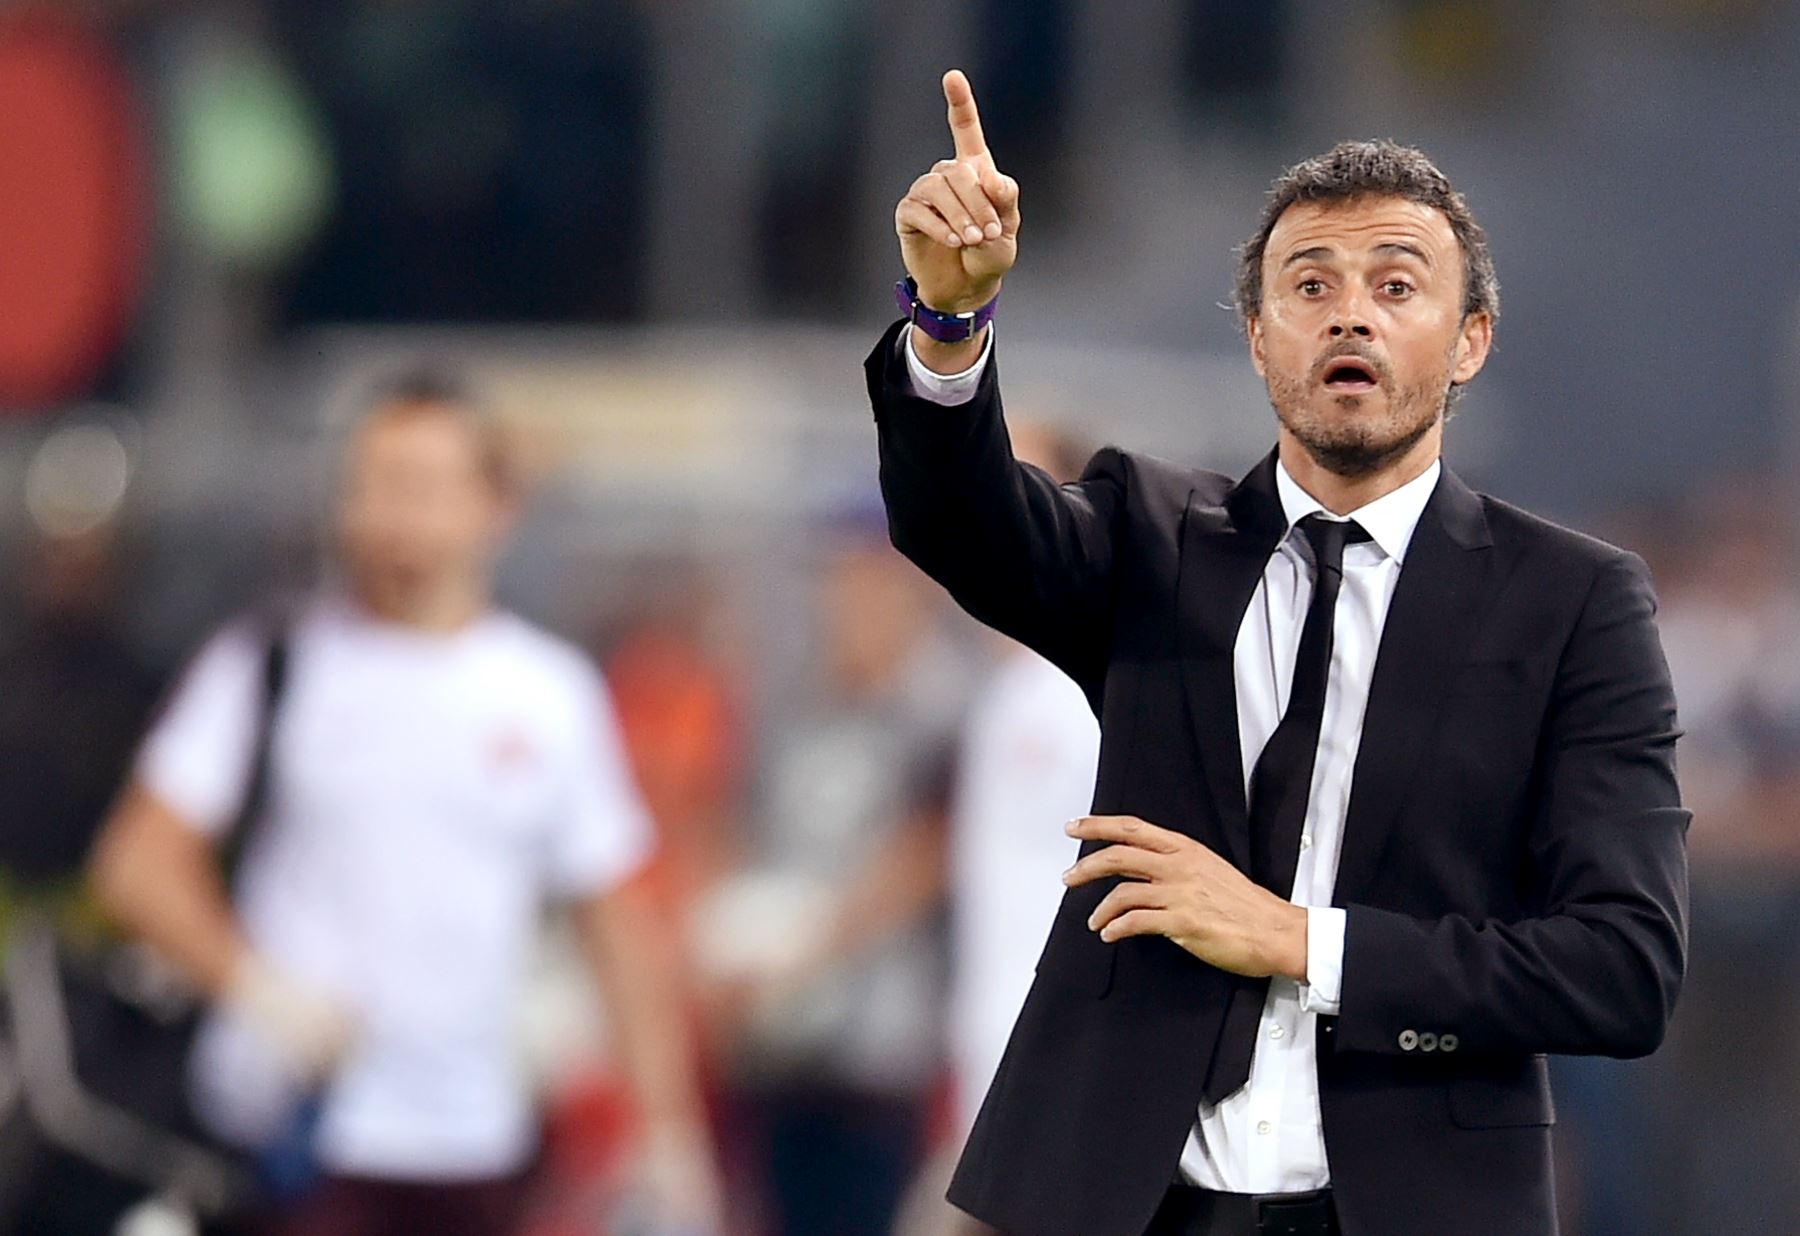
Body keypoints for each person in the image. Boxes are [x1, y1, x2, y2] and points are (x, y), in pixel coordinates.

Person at [865, 70, 1688, 1236]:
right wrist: (948, 325)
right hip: (1134, 1204)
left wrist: (1301, 943)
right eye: (1310, 285)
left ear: (1471, 342)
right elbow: (960, 522)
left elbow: (1622, 967)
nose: (1351, 315)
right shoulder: (1150, 537)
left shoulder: (1572, 602)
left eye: (1396, 285)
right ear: (1258, 339)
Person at [87, 374, 722, 1236]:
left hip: (473, 1138)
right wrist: (256, 985)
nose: (392, 514)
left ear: (494, 508)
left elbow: (615, 924)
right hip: (296, 1134)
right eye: (373, 483)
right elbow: (138, 864)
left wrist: (669, 1136)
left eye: (421, 485)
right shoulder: (274, 663)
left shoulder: (547, 694)